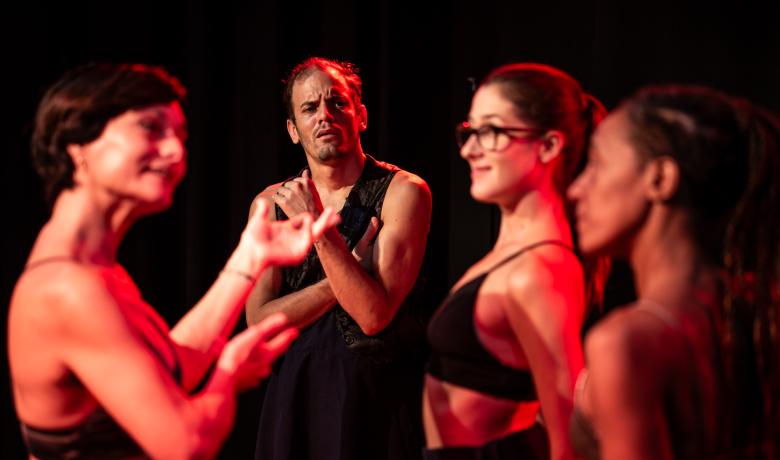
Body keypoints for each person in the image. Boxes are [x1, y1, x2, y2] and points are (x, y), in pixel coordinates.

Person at [8, 63, 339, 459]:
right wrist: (228, 374)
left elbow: (169, 369)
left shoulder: (86, 269)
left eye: (180, 136)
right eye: (150, 128)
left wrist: (250, 257)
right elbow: (187, 446)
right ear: (78, 147)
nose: (176, 152)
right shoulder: (69, 288)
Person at [567, 85, 780, 459]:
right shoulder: (761, 307)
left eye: (596, 165)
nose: (575, 190)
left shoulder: (627, 341)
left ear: (660, 179)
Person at [245, 57, 432, 460]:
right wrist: (348, 275)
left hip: (374, 403)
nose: (324, 116)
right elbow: (259, 323)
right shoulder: (270, 203)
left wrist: (317, 227)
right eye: (309, 108)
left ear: (361, 116)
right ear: (293, 130)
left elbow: (372, 314)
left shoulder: (403, 192)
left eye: (337, 103)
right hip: (294, 400)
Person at [423, 63, 606, 460]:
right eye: (470, 131)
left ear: (548, 145)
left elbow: (568, 436)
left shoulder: (540, 270)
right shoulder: (515, 255)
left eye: (491, 132)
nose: (469, 150)